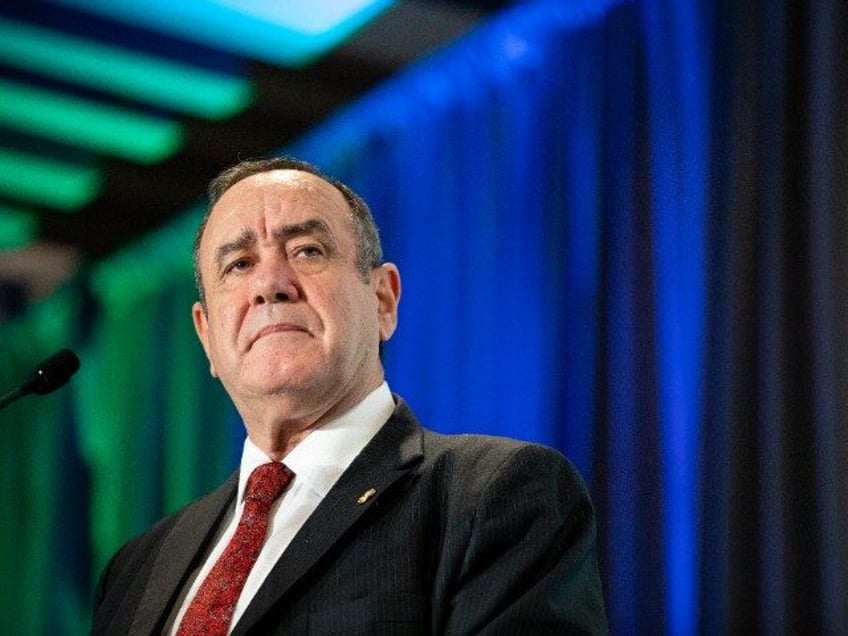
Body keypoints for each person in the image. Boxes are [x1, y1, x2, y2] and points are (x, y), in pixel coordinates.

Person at [91, 157, 608, 634]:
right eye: (239, 265)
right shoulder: (137, 566)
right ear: (206, 336)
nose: (271, 284)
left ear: (383, 299)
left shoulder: (494, 495)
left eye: (307, 251)